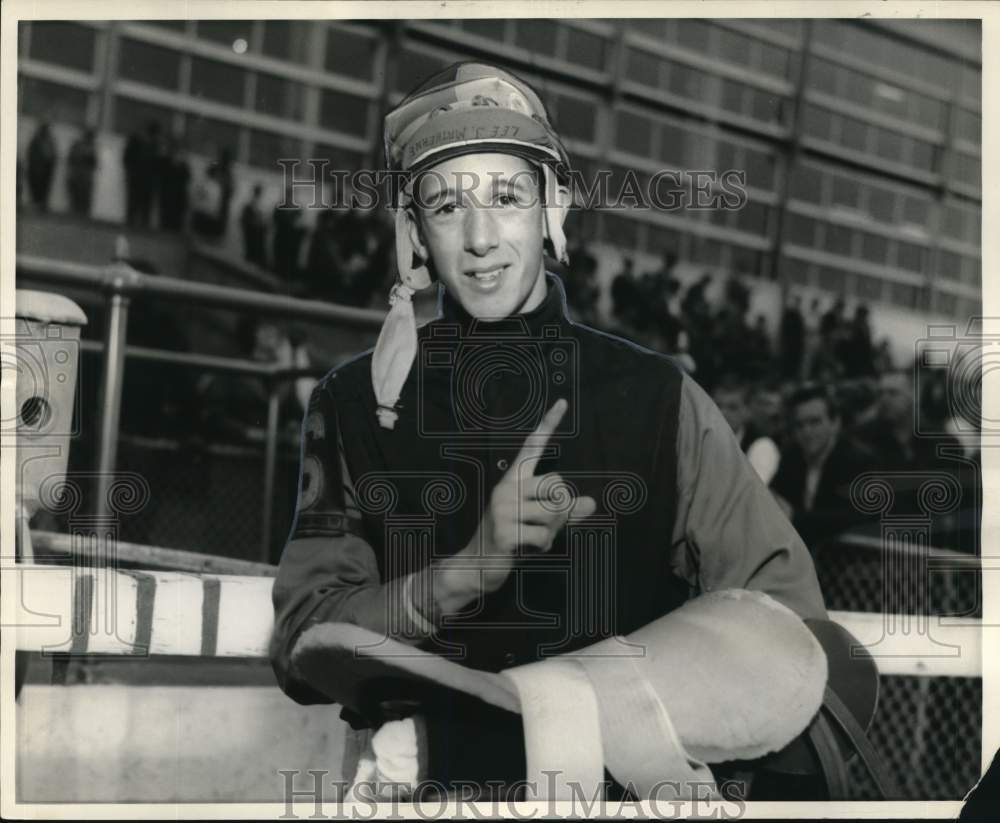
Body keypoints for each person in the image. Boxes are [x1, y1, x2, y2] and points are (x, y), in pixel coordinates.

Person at [270, 61, 860, 802]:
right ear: (413, 232)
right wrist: (460, 575)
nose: (482, 237)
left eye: (507, 197)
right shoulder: (352, 403)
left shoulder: (659, 398)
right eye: (448, 206)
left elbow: (791, 637)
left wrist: (508, 731)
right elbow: (303, 643)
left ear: (554, 205)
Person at [770, 385, 876, 552]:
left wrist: (796, 517)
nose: (807, 431)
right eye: (799, 425)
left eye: (815, 422)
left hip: (846, 564)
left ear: (835, 423)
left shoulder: (858, 460)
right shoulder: (792, 456)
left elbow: (852, 515)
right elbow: (774, 497)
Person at [712, 376, 781, 484]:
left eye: (732, 407)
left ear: (747, 411)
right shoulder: (704, 439)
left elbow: (752, 492)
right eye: (717, 405)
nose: (722, 413)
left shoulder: (762, 445)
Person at [26, 121, 57, 212]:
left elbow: (53, 155)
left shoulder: (50, 141)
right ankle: (36, 204)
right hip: (37, 168)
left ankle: (42, 204)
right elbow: (31, 155)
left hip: (46, 169)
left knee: (44, 188)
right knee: (36, 187)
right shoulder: (36, 140)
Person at [66, 129, 98, 217]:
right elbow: (71, 159)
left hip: (83, 177)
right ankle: (76, 215)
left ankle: (80, 215)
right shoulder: (80, 146)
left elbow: (94, 163)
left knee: (83, 200)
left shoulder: (90, 147)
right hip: (79, 176)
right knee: (77, 199)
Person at [240, 184, 269, 269]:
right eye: (259, 192)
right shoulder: (250, 204)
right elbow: (245, 219)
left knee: (256, 250)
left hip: (258, 231)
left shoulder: (258, 204)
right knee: (251, 249)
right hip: (252, 231)